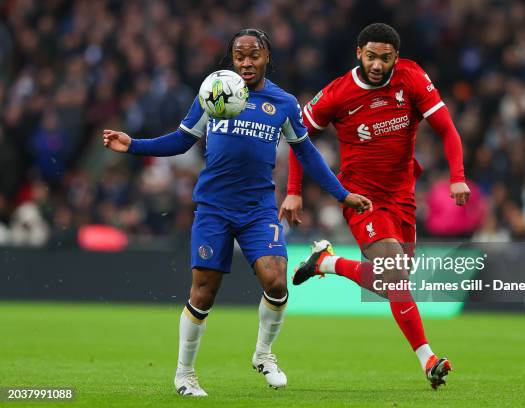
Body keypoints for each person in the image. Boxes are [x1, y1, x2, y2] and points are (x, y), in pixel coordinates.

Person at [103, 28, 372, 397]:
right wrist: (133, 144)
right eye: (239, 56)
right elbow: (182, 140)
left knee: (277, 281)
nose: (246, 62)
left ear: (266, 57)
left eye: (254, 55)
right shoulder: (213, 91)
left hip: (258, 207)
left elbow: (305, 152)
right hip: (213, 207)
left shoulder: (283, 103)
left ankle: (264, 354)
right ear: (232, 58)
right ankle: (184, 374)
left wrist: (342, 194)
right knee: (203, 293)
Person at [280, 23, 470, 390]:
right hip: (360, 196)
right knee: (394, 276)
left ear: (395, 57)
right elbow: (298, 136)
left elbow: (447, 128)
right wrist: (293, 190)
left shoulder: (412, 78)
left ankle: (327, 262)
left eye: (385, 58)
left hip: (403, 195)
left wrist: (457, 176)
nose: (378, 64)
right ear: (359, 54)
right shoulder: (338, 93)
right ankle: (428, 359)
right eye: (371, 57)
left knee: (391, 282)